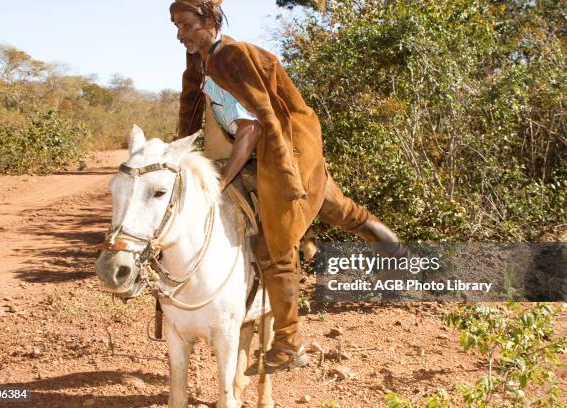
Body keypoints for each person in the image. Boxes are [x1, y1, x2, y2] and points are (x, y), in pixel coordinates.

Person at [169, 0, 409, 374]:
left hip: (283, 151)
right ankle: (388, 248)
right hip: (281, 148)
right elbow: (192, 107)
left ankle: (288, 344)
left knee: (274, 246)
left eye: (186, 24)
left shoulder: (231, 57)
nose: (180, 34)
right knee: (340, 210)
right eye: (175, 26)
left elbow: (252, 127)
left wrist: (222, 179)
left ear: (210, 20)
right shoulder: (203, 60)